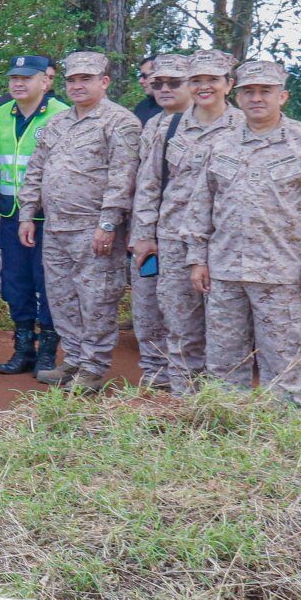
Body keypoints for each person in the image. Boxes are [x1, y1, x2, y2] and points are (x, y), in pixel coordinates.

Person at [188, 59, 301, 403]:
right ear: (238, 97)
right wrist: (197, 259)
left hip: (282, 274)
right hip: (225, 272)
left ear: (282, 96)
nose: (257, 98)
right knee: (224, 359)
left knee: (282, 357)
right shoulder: (220, 144)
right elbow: (201, 207)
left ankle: (279, 428)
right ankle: (228, 421)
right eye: (249, 92)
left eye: (265, 91)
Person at [18, 51, 141, 392]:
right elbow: (36, 170)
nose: (77, 86)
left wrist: (108, 223)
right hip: (56, 227)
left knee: (97, 300)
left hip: (93, 228)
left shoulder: (120, 122)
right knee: (62, 298)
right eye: (72, 80)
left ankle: (93, 367)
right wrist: (28, 214)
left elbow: (122, 177)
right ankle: (72, 358)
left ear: (104, 82)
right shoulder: (56, 122)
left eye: (86, 79)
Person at [131, 51, 241, 394]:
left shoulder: (244, 126)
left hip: (227, 242)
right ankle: (183, 402)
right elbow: (149, 184)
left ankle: (222, 404)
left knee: (227, 329)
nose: (204, 87)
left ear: (229, 85)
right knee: (179, 325)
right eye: (196, 80)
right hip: (174, 238)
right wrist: (144, 235)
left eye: (212, 80)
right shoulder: (169, 125)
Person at [0, 55, 69, 375]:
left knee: (48, 282)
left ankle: (49, 351)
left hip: (48, 217)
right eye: (14, 78)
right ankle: (24, 348)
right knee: (14, 283)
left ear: (46, 82)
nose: (18, 83)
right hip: (10, 213)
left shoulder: (63, 116)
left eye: (26, 78)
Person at [122, 53, 194, 387]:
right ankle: (155, 376)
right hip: (153, 236)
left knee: (187, 313)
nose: (164, 89)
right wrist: (140, 233)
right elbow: (145, 185)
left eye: (173, 83)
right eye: (158, 83)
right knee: (148, 307)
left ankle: (188, 382)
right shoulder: (154, 123)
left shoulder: (226, 125)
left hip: (192, 239)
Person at [131, 54, 164, 125]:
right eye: (140, 76)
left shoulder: (178, 106)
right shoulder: (141, 107)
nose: (140, 81)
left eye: (144, 76)